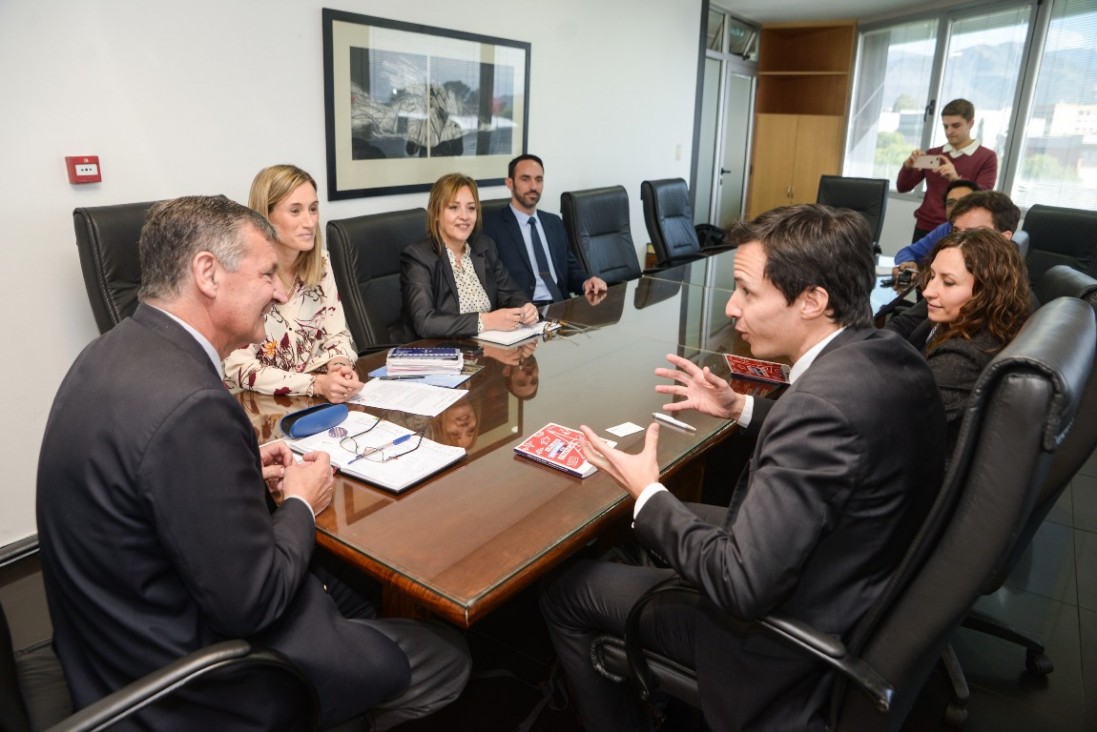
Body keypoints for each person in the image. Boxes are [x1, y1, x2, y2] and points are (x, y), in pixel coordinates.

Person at [37, 196, 470, 730]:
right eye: (267, 273)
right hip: (186, 686)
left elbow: (152, 485)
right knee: (446, 657)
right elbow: (254, 603)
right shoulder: (192, 407)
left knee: (352, 593)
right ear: (207, 274)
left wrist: (237, 465)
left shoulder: (107, 353)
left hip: (109, 645)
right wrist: (300, 503)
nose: (281, 291)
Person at [540, 204, 946, 731]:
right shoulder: (889, 353)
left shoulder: (818, 408)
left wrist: (647, 492)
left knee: (566, 591)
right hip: (852, 584)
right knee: (655, 517)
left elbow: (739, 584)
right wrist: (742, 408)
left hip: (772, 642)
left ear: (813, 301)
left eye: (748, 293)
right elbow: (843, 440)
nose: (732, 308)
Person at [223, 164, 363, 404]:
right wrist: (316, 384)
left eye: (313, 209)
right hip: (255, 406)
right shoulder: (241, 273)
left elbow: (338, 334)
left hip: (310, 401)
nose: (310, 222)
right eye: (295, 211)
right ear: (265, 217)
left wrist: (338, 366)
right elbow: (240, 368)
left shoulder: (321, 262)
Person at [892, 228, 1030, 452]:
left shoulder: (960, 359)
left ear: (986, 292)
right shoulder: (970, 319)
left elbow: (897, 427)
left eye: (948, 282)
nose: (928, 291)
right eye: (933, 275)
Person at [401, 172, 538, 338]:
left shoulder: (484, 247)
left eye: (471, 208)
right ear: (436, 213)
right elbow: (425, 323)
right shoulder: (418, 257)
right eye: (453, 207)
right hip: (443, 353)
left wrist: (525, 308)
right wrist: (487, 321)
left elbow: (511, 293)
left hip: (487, 348)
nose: (464, 216)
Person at [481, 154, 607, 304]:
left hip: (561, 306)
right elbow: (490, 283)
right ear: (509, 183)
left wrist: (586, 281)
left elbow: (570, 269)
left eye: (539, 179)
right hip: (523, 312)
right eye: (525, 179)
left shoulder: (554, 223)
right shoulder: (491, 226)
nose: (533, 186)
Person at [897, 99, 998, 240]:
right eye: (945, 126)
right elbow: (903, 187)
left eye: (956, 126)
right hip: (925, 227)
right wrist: (907, 167)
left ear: (971, 123)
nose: (949, 132)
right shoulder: (933, 153)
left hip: (961, 229)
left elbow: (984, 197)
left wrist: (957, 179)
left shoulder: (987, 157)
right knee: (915, 262)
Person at [892, 178, 979, 274]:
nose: (956, 207)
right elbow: (907, 252)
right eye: (951, 203)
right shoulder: (945, 229)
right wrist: (909, 263)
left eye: (964, 202)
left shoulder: (986, 235)